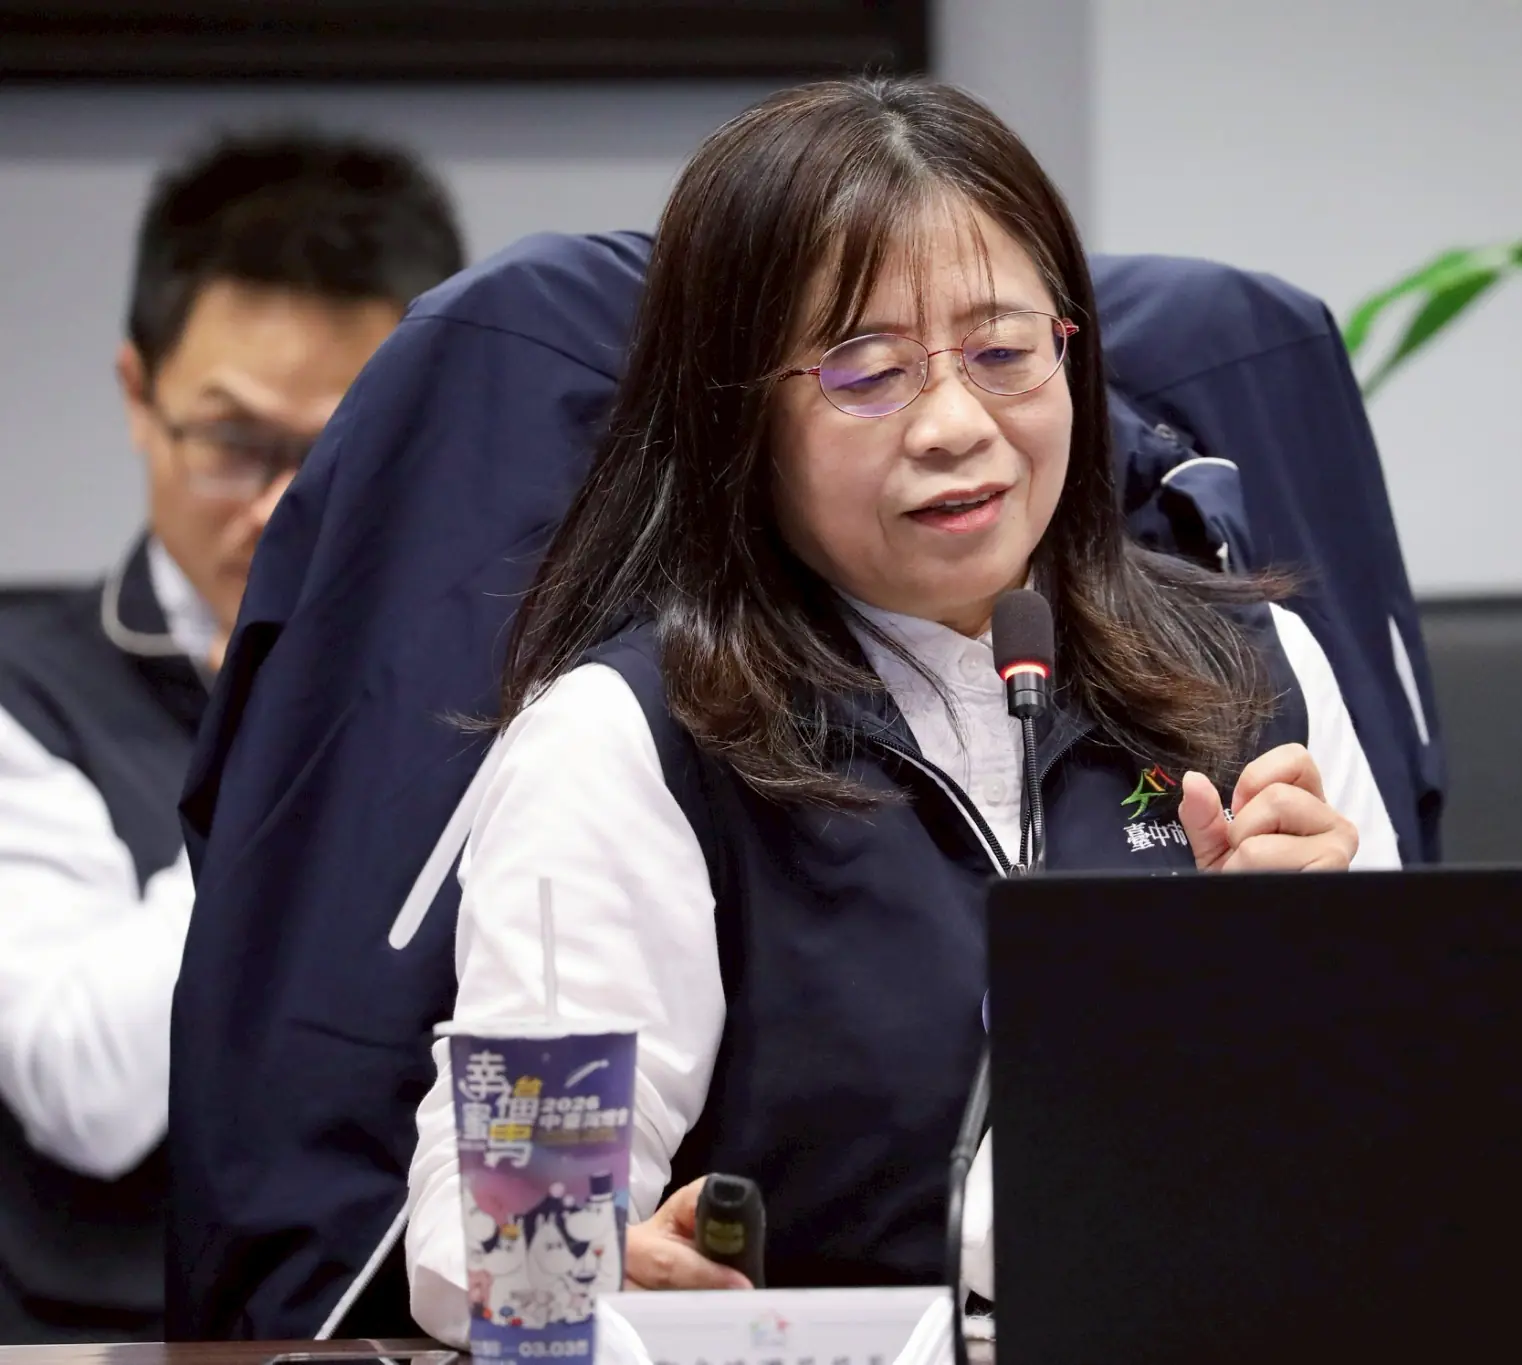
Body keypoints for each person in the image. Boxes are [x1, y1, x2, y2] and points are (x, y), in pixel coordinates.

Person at [402, 75, 1400, 1342]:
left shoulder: (1254, 672)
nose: (954, 425)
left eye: (1003, 354)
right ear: (734, 414)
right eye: (866, 373)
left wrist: (1324, 988)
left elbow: (1410, 1168)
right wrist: (593, 1272)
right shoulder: (624, 740)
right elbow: (491, 1243)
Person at [0, 128, 464, 1343]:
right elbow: (86, 1092)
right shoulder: (24, 692)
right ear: (138, 397)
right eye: (234, 446)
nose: (278, 508)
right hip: (108, 1340)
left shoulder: (507, 693)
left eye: (339, 452)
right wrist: (287, 730)